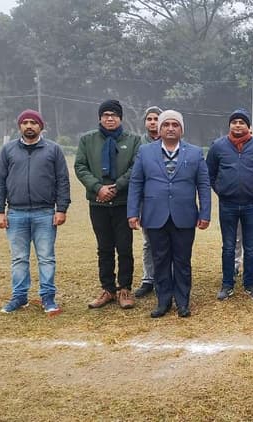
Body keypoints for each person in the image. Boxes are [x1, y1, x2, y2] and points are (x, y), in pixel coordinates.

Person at [127, 110, 211, 318]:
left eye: (175, 125)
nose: (170, 128)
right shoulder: (145, 151)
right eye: (166, 124)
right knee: (160, 260)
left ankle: (182, 302)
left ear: (182, 129)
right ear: (159, 128)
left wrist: (205, 213)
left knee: (182, 260)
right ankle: (163, 301)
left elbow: (203, 184)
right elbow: (136, 183)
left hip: (184, 215)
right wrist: (132, 212)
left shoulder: (195, 153)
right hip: (155, 215)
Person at [0, 109, 71, 313]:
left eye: (33, 123)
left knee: (46, 258)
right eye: (25, 122)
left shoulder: (53, 150)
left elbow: (62, 181)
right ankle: (19, 297)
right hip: (16, 213)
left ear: (40, 126)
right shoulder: (8, 150)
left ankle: (48, 298)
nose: (29, 126)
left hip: (45, 213)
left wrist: (61, 209)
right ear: (20, 126)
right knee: (19, 259)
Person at [75, 99, 142, 310]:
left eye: (114, 115)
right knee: (104, 248)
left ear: (120, 118)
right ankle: (108, 289)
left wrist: (117, 186)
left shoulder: (133, 140)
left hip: (123, 202)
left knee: (124, 247)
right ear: (100, 118)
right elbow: (80, 166)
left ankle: (125, 289)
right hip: (98, 203)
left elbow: (136, 167)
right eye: (106, 115)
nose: (110, 118)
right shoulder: (87, 140)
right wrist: (98, 188)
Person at [207, 108, 253, 301]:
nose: (237, 125)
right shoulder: (218, 146)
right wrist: (221, 190)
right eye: (234, 122)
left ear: (248, 126)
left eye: (241, 122)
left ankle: (250, 284)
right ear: (229, 125)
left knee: (250, 246)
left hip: (252, 204)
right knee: (228, 246)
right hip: (227, 205)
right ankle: (227, 285)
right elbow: (210, 173)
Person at [134, 105, 162, 298]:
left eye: (156, 119)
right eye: (149, 119)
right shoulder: (138, 144)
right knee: (149, 242)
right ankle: (148, 279)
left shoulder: (172, 141)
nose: (153, 122)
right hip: (147, 200)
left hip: (167, 198)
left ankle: (164, 278)